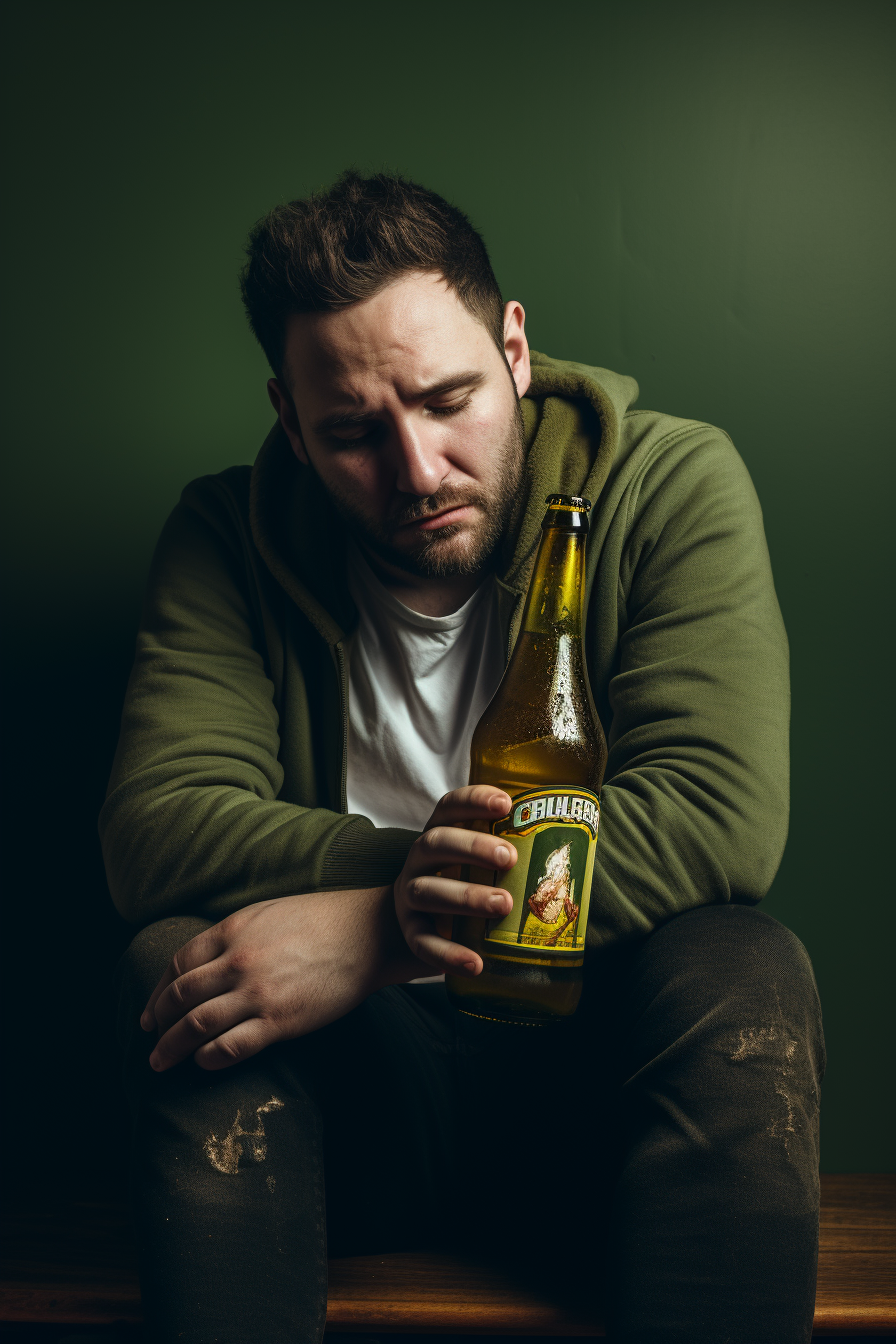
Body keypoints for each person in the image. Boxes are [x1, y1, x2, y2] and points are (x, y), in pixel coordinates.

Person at [104, 172, 824, 1344]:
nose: (419, 469)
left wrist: (390, 923)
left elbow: (714, 816)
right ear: (289, 419)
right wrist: (395, 884)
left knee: (743, 961)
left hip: (589, 1092)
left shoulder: (669, 484)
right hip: (345, 1115)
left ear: (515, 350)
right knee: (178, 968)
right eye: (351, 432)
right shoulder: (222, 535)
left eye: (448, 400)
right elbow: (155, 828)